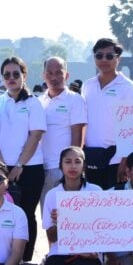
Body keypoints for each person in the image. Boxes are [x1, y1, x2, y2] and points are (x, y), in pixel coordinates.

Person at [0, 57, 46, 261]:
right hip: (1, 168)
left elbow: (35, 135)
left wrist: (20, 164)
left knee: (26, 215)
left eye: (16, 74)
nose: (11, 78)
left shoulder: (33, 103)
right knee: (4, 215)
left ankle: (25, 261)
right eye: (7, 75)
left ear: (24, 76)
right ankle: (5, 258)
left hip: (29, 167)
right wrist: (1, 166)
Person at [41, 146, 103, 265]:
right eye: (68, 162)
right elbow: (51, 237)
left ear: (84, 165)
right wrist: (61, 222)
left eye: (77, 161)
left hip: (89, 251)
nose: (73, 166)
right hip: (60, 251)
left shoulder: (96, 192)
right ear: (61, 165)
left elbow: (104, 228)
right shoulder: (52, 195)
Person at [81, 38, 133, 189]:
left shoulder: (128, 87)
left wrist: (125, 160)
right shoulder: (87, 86)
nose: (103, 60)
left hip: (116, 159)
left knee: (115, 210)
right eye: (99, 56)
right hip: (91, 157)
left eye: (109, 56)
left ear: (118, 58)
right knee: (93, 207)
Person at [39, 56, 87, 210]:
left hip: (63, 170)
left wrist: (70, 169)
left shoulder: (75, 100)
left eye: (59, 73)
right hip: (40, 168)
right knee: (49, 220)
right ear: (43, 75)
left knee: (69, 220)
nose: (54, 77)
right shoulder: (38, 101)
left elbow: (78, 137)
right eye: (49, 73)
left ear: (66, 75)